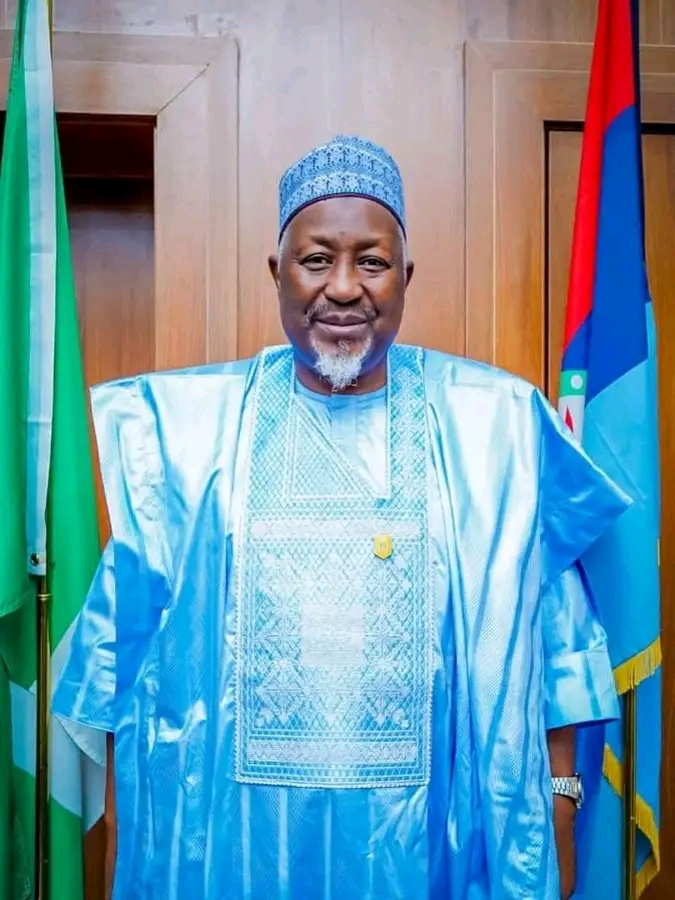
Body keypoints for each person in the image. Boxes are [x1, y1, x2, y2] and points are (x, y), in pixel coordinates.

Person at [53, 136, 627, 900]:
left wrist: (557, 806)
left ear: (405, 276)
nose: (344, 287)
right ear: (277, 272)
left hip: (435, 850)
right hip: (237, 852)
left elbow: (552, 635)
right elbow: (119, 663)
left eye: (372, 261)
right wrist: (130, 836)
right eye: (317, 260)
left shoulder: (492, 431)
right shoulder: (187, 441)